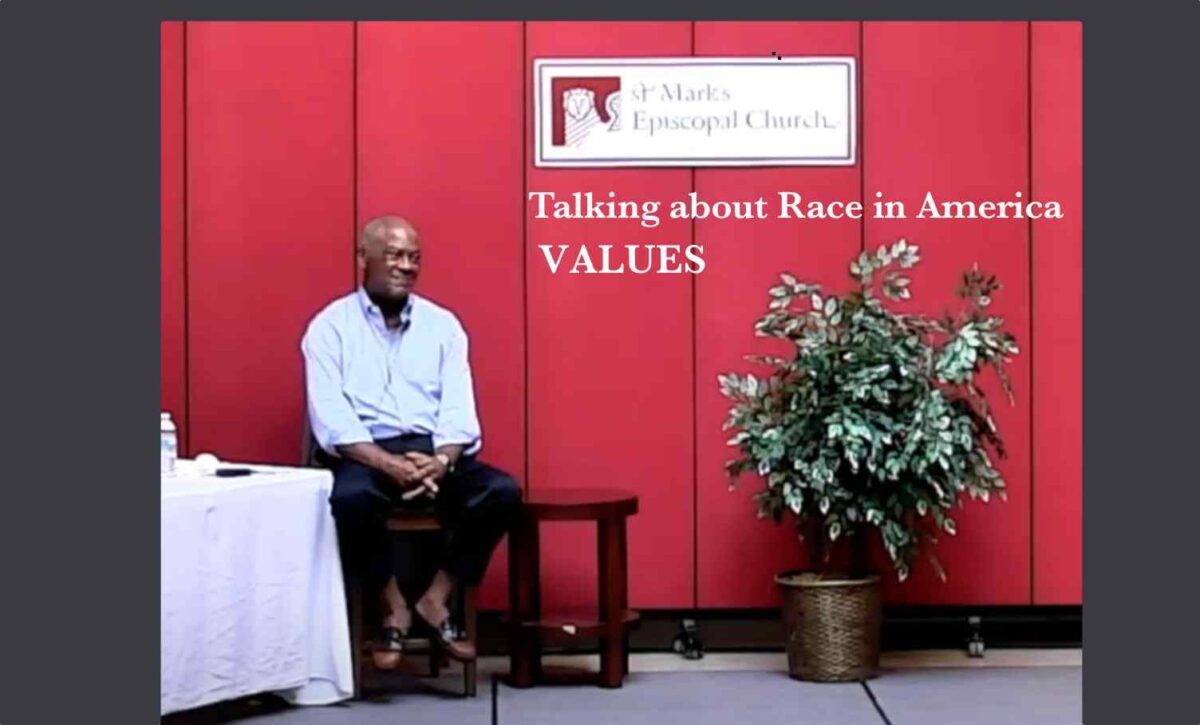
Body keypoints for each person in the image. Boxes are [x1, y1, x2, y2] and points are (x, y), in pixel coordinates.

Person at [301, 215, 521, 669]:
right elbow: (332, 422)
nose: (406, 266)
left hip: (432, 452)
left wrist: (441, 459)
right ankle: (392, 605)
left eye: (414, 258)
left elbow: (459, 411)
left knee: (501, 492)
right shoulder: (329, 327)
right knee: (350, 499)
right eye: (395, 256)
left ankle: (436, 597)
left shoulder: (443, 326)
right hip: (365, 453)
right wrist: (388, 465)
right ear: (365, 259)